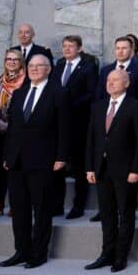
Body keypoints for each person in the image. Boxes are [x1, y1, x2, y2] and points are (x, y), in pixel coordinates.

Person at [0, 54, 70, 269]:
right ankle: (21, 251)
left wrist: (61, 156)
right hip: (17, 161)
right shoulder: (20, 93)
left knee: (41, 209)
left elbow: (65, 129)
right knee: (19, 209)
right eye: (31, 65)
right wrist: (7, 156)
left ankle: (38, 254)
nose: (35, 69)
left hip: (44, 161)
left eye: (40, 65)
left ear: (49, 69)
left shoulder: (59, 93)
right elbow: (12, 130)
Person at [83, 68, 138, 272]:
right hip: (101, 169)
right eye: (108, 80)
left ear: (126, 83)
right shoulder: (98, 106)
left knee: (125, 214)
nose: (110, 83)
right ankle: (106, 253)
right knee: (106, 213)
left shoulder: (135, 106)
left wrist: (136, 169)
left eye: (116, 80)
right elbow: (91, 140)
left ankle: (121, 256)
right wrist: (89, 167)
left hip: (125, 171)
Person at [50, 35, 98, 219]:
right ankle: (57, 205)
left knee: (79, 166)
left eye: (71, 46)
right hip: (59, 124)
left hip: (79, 122)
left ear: (80, 48)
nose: (67, 49)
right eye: (65, 46)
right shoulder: (59, 65)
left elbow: (91, 93)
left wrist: (70, 105)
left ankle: (78, 205)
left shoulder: (88, 67)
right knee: (58, 164)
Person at [0, 49, 27, 218]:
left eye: (15, 59)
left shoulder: (27, 81)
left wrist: (10, 125)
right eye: (8, 59)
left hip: (17, 132)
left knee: (15, 169)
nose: (11, 62)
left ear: (21, 62)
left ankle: (15, 204)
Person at [96, 36, 138, 110]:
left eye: (124, 48)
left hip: (130, 115)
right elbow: (99, 96)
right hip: (107, 114)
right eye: (117, 48)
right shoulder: (105, 70)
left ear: (131, 50)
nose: (120, 51)